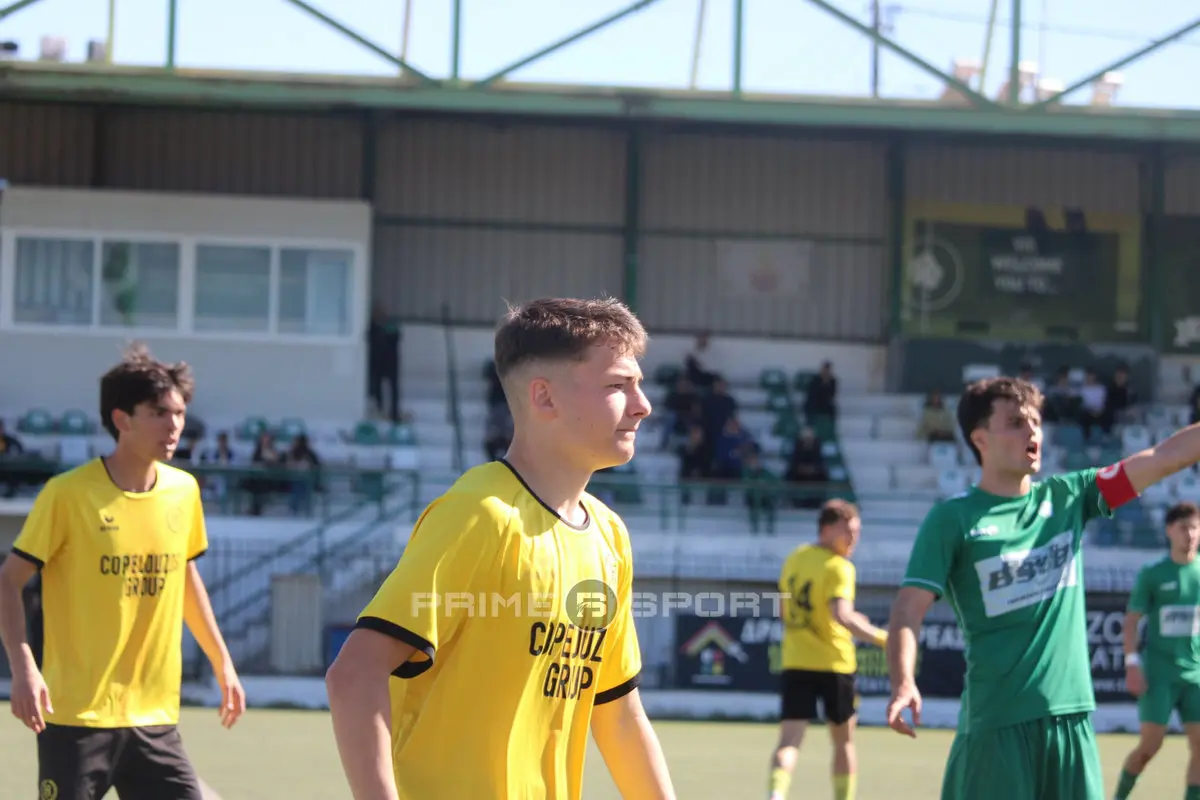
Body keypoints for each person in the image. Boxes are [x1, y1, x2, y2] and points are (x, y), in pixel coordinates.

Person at [325, 297, 676, 800]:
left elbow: (618, 712)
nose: (643, 405)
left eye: (639, 385)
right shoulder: (479, 514)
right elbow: (354, 675)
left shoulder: (609, 535)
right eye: (618, 385)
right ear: (544, 398)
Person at [885, 376, 1200, 800]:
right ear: (980, 439)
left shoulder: (1072, 496)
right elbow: (907, 610)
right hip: (997, 726)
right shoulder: (952, 520)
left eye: (1035, 421)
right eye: (1015, 422)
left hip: (1072, 721)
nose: (1031, 431)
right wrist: (903, 681)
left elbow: (1165, 458)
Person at [0, 342, 246, 800]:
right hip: (76, 717)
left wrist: (222, 662)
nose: (174, 425)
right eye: (159, 413)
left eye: (179, 413)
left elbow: (184, 579)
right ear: (122, 419)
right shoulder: (67, 495)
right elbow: (8, 581)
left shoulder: (183, 491)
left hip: (154, 717)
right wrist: (23, 667)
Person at [766, 499, 889, 800]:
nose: (854, 539)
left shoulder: (795, 558)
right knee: (844, 742)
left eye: (857, 532)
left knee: (789, 741)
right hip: (835, 664)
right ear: (828, 528)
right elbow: (842, 616)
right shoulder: (839, 567)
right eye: (849, 531)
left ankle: (775, 795)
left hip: (796, 662)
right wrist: (883, 638)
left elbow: (783, 611)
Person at [1115, 501, 1200, 800]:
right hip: (1159, 674)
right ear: (1168, 531)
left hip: (1195, 675)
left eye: (1194, 528)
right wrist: (1132, 663)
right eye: (1183, 528)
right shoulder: (1153, 574)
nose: (1190, 535)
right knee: (1150, 747)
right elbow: (1131, 622)